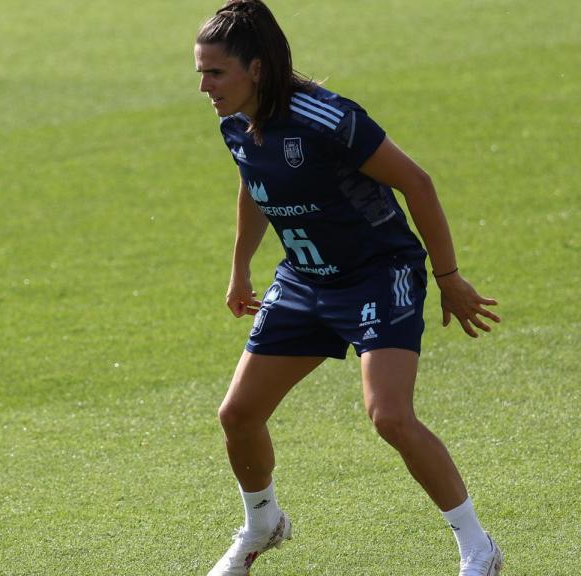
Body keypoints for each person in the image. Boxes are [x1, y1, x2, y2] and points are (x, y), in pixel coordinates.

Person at [192, 2, 504, 575]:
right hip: (305, 280)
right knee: (237, 415)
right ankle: (263, 523)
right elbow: (253, 180)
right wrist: (240, 268)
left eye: (216, 73)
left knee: (389, 416)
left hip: (378, 275)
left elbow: (417, 182)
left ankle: (478, 548)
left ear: (256, 68)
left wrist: (449, 278)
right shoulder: (234, 121)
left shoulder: (327, 117)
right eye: (201, 74)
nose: (206, 86)